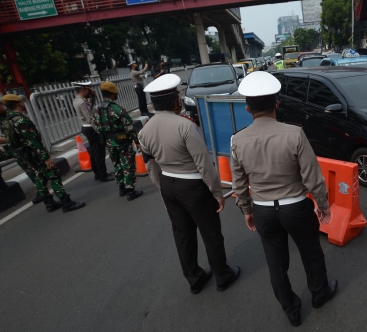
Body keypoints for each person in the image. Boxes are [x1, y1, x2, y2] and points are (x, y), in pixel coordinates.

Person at [230, 71, 337, 327]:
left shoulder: (237, 140)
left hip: (264, 210)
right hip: (296, 207)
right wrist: (322, 205)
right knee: (311, 252)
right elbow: (313, 176)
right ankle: (320, 294)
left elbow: (239, 184)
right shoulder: (294, 134)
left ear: (247, 109)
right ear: (277, 104)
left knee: (276, 263)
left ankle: (291, 309)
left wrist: (246, 209)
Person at [138, 74, 240, 294]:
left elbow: (150, 165)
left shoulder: (144, 130)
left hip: (168, 184)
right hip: (193, 186)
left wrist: (162, 190)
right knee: (210, 232)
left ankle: (195, 278)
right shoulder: (185, 126)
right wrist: (217, 192)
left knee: (182, 235)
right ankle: (223, 275)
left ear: (154, 103)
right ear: (175, 100)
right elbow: (203, 163)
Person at [0, 94, 85, 212]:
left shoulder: (6, 121)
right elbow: (33, 141)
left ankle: (49, 203)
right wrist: (45, 158)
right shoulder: (20, 120)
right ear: (19, 103)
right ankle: (66, 202)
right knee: (53, 174)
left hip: (22, 155)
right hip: (34, 154)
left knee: (38, 178)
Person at [91, 82, 143, 201]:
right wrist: (137, 141)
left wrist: (103, 132)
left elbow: (93, 124)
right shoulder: (117, 109)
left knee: (117, 164)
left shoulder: (96, 109)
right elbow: (129, 127)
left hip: (108, 142)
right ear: (113, 94)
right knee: (128, 165)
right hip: (122, 141)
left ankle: (121, 188)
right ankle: (131, 191)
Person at [72, 82, 114, 182]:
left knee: (94, 152)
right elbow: (90, 118)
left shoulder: (77, 100)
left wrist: (93, 97)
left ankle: (98, 174)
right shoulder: (82, 102)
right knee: (99, 153)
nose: (89, 91)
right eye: (88, 90)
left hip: (86, 127)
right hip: (91, 128)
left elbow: (89, 108)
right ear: (83, 90)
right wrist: (98, 130)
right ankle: (103, 175)